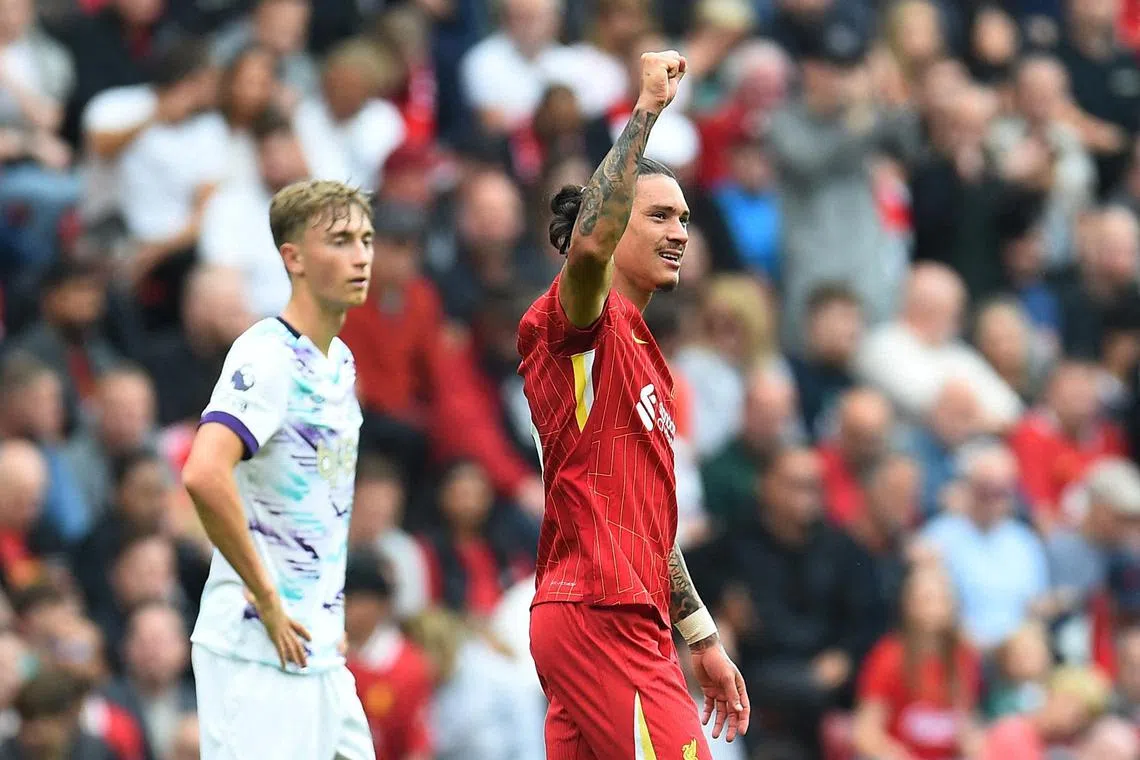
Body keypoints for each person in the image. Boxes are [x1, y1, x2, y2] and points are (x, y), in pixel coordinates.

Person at [517, 50, 750, 759]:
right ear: (615, 222)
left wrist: (700, 635)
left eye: (684, 218)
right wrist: (646, 109)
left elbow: (644, 526)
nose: (681, 231)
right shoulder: (578, 323)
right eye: (659, 216)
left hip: (618, 612)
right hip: (601, 615)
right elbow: (587, 246)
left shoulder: (647, 356)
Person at [180, 179, 376, 760]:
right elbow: (203, 474)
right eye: (340, 241)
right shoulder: (265, 355)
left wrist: (320, 605)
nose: (361, 255)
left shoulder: (339, 361)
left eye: (366, 239)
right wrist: (268, 598)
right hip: (255, 647)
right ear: (293, 258)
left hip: (317, 652)